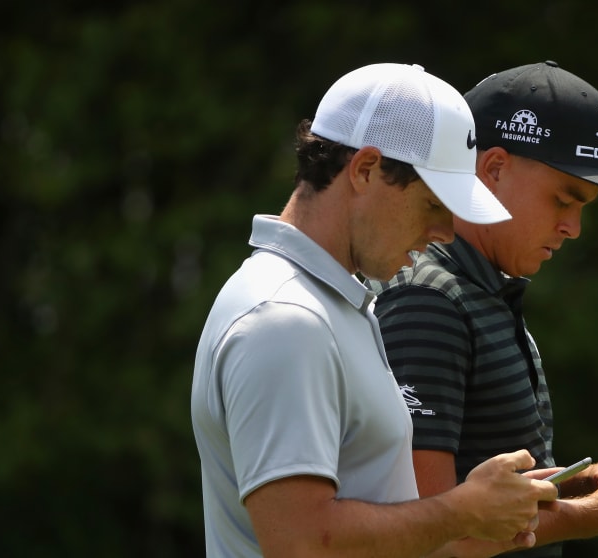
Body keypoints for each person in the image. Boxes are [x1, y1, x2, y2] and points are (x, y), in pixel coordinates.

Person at [190, 62, 560, 558]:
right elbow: (301, 543)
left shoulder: (331, 303)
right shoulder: (286, 318)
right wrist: (464, 510)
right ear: (365, 170)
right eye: (433, 206)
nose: (445, 234)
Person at [368, 61, 598, 557]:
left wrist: (597, 478)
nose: (573, 227)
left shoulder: (486, 291)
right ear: (493, 169)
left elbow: (497, 500)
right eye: (563, 199)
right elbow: (433, 537)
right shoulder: (430, 301)